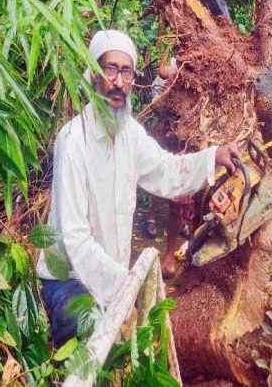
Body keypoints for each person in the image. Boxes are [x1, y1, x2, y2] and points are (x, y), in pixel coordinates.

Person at [35, 29, 239, 347]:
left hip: (112, 277)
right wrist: (126, 288)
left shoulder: (130, 134)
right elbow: (74, 239)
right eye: (110, 69)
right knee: (90, 343)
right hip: (69, 280)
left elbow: (167, 171)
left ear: (133, 80)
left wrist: (214, 158)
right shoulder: (72, 141)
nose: (118, 82)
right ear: (93, 76)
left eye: (126, 71)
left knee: (123, 348)